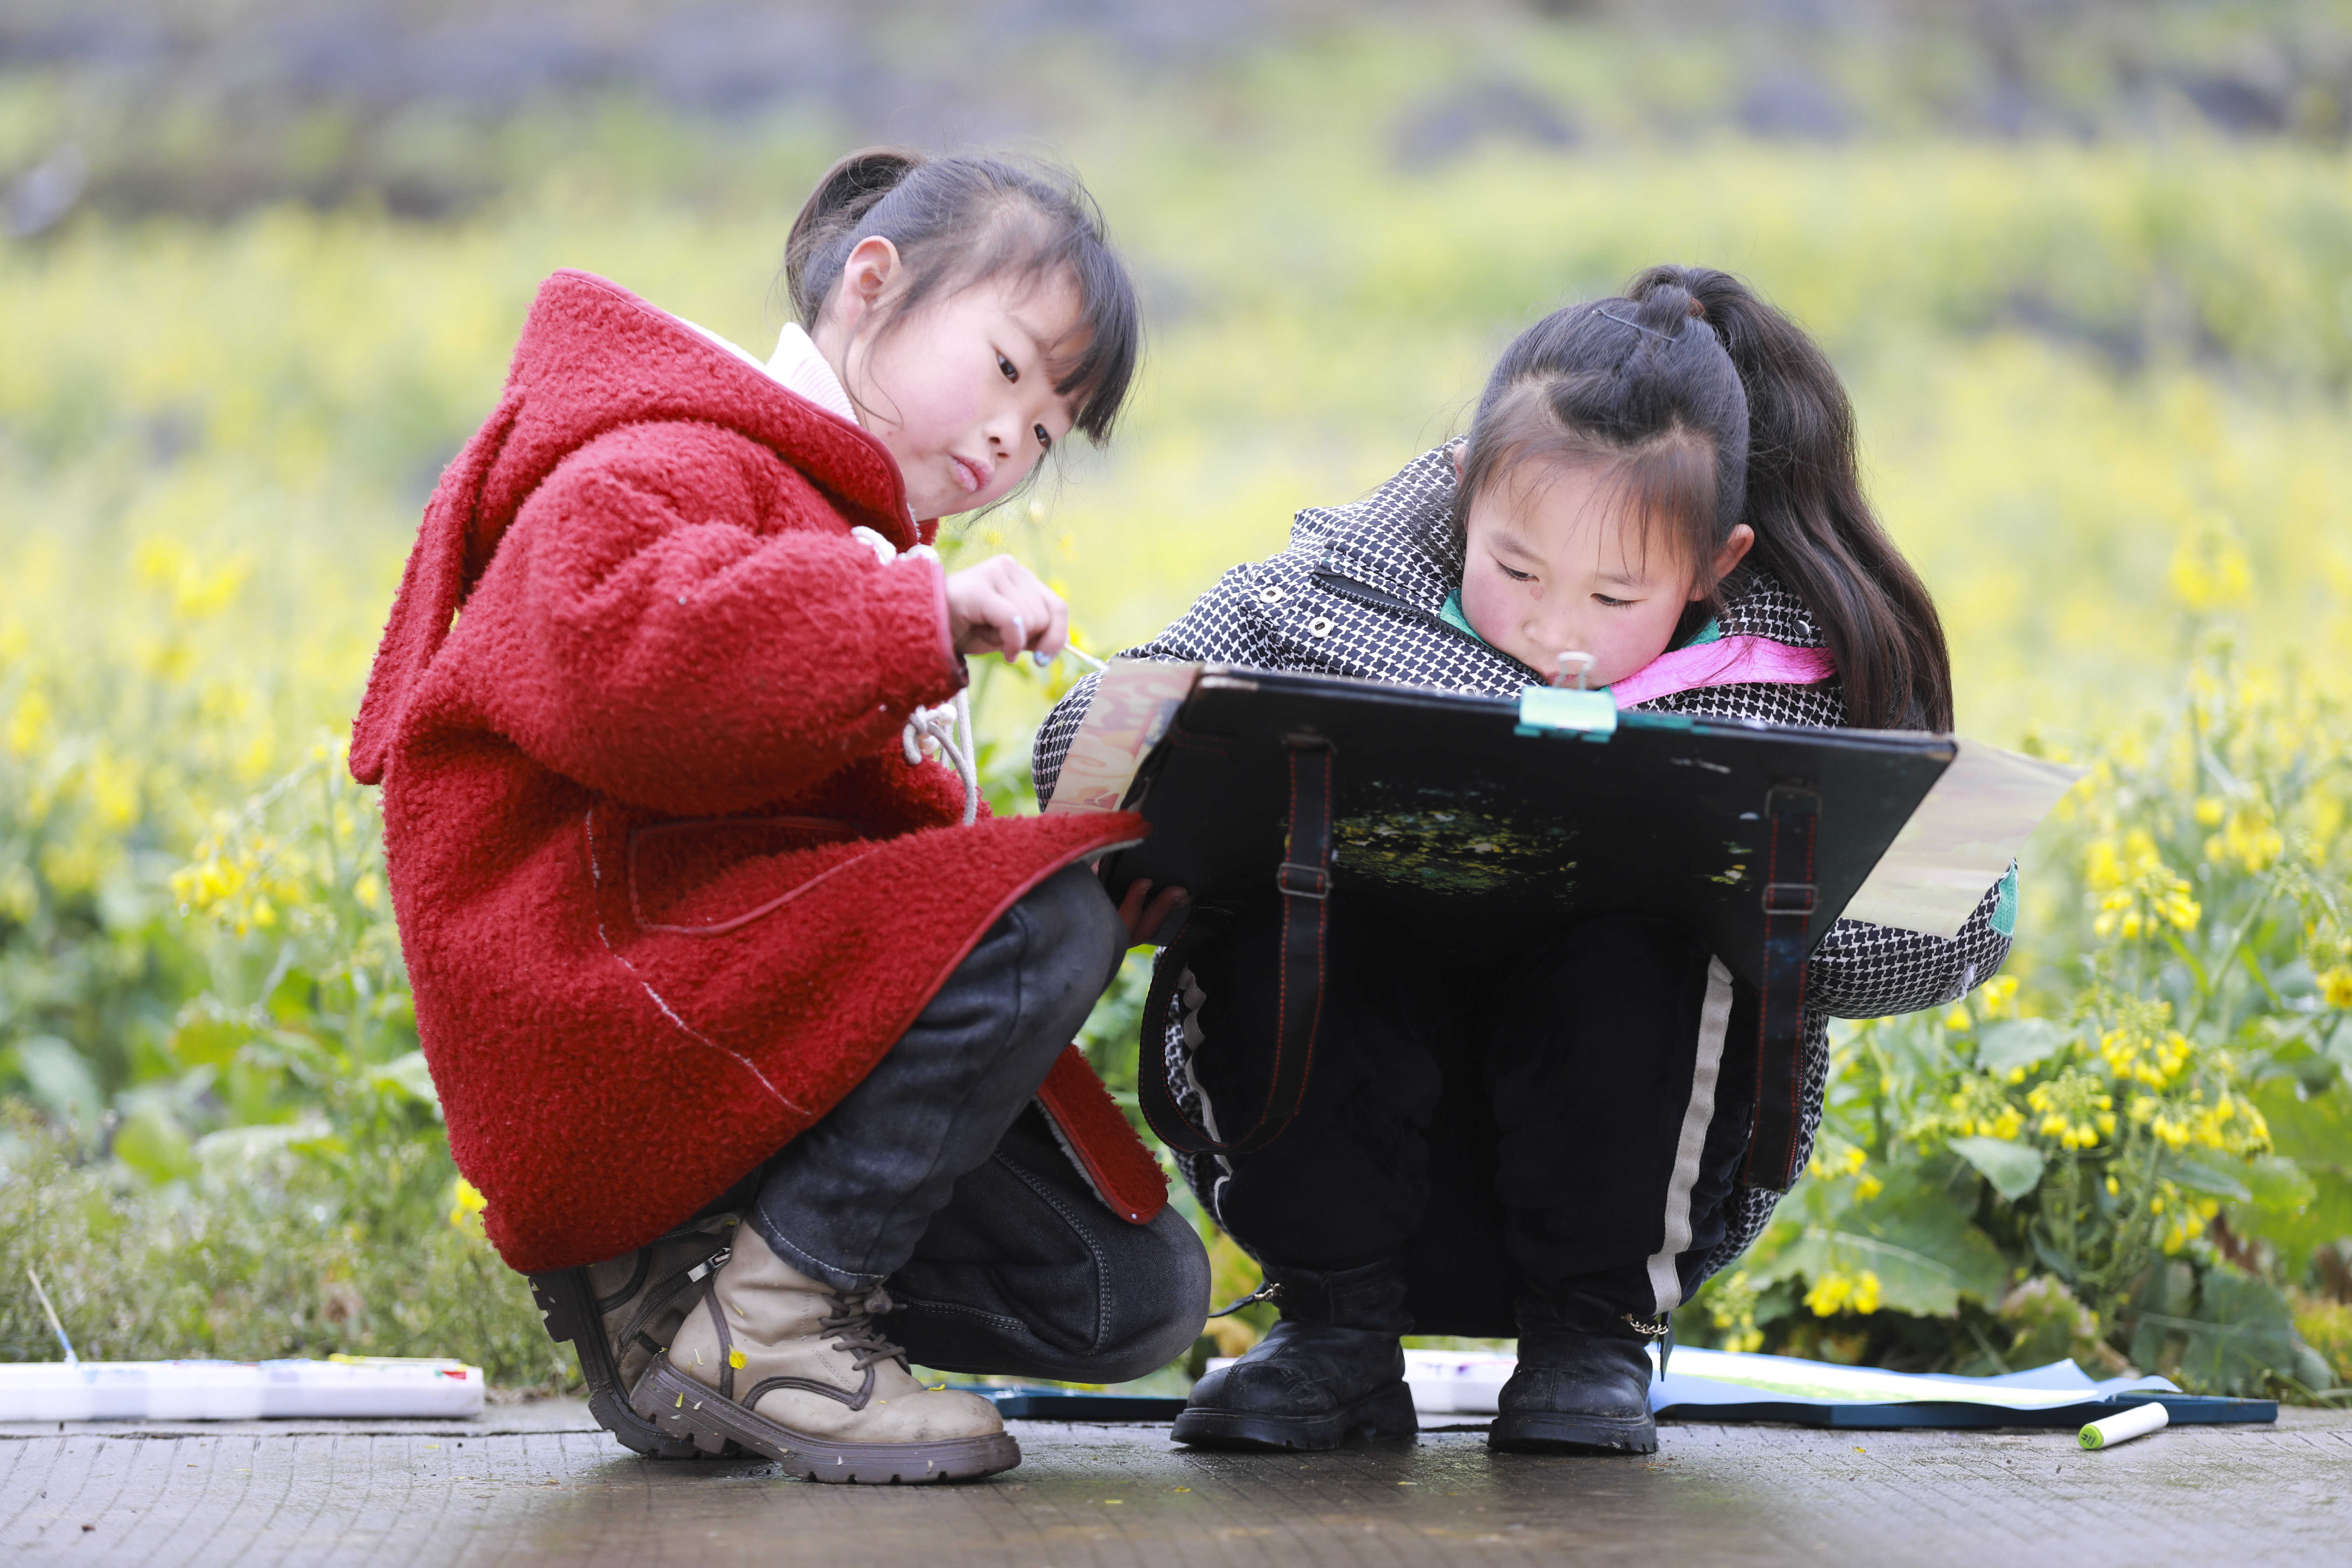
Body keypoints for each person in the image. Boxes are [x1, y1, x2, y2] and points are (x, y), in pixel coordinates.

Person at [1033, 267, 2017, 1457]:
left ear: (1714, 565)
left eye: (1616, 594)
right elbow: (1081, 742)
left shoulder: (1800, 682)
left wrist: (1767, 912)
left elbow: (1968, 919)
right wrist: (1159, 834)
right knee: (1319, 894)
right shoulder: (1322, 599)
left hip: (1634, 1182)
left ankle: (1589, 1349)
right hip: (1327, 1146)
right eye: (1514, 572)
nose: (1560, 631)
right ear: (1462, 500)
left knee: (1639, 941)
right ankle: (1335, 1339)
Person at [351, 148, 1208, 1485]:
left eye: (1047, 431)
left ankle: (684, 1300)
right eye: (1003, 370)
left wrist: (1098, 911)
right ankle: (773, 1334)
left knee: (1129, 1295)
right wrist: (913, 623)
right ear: (872, 287)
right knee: (1036, 906)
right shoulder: (668, 448)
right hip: (614, 1004)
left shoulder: (862, 529)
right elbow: (620, 662)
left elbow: (866, 885)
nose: (1009, 444)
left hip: (733, 1017)